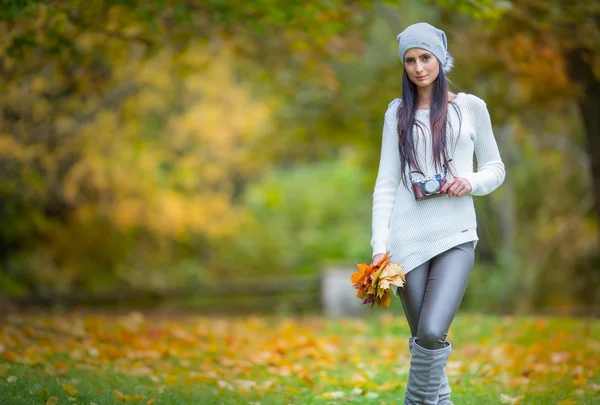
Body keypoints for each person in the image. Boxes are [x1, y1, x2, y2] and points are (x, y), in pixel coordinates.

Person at [370, 22, 506, 405]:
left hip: (456, 235)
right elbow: (385, 184)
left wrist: (471, 181)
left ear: (440, 59)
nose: (418, 67)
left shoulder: (470, 107)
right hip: (406, 240)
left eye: (425, 57)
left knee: (431, 332)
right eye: (410, 60)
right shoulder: (397, 113)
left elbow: (496, 167)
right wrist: (380, 246)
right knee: (424, 344)